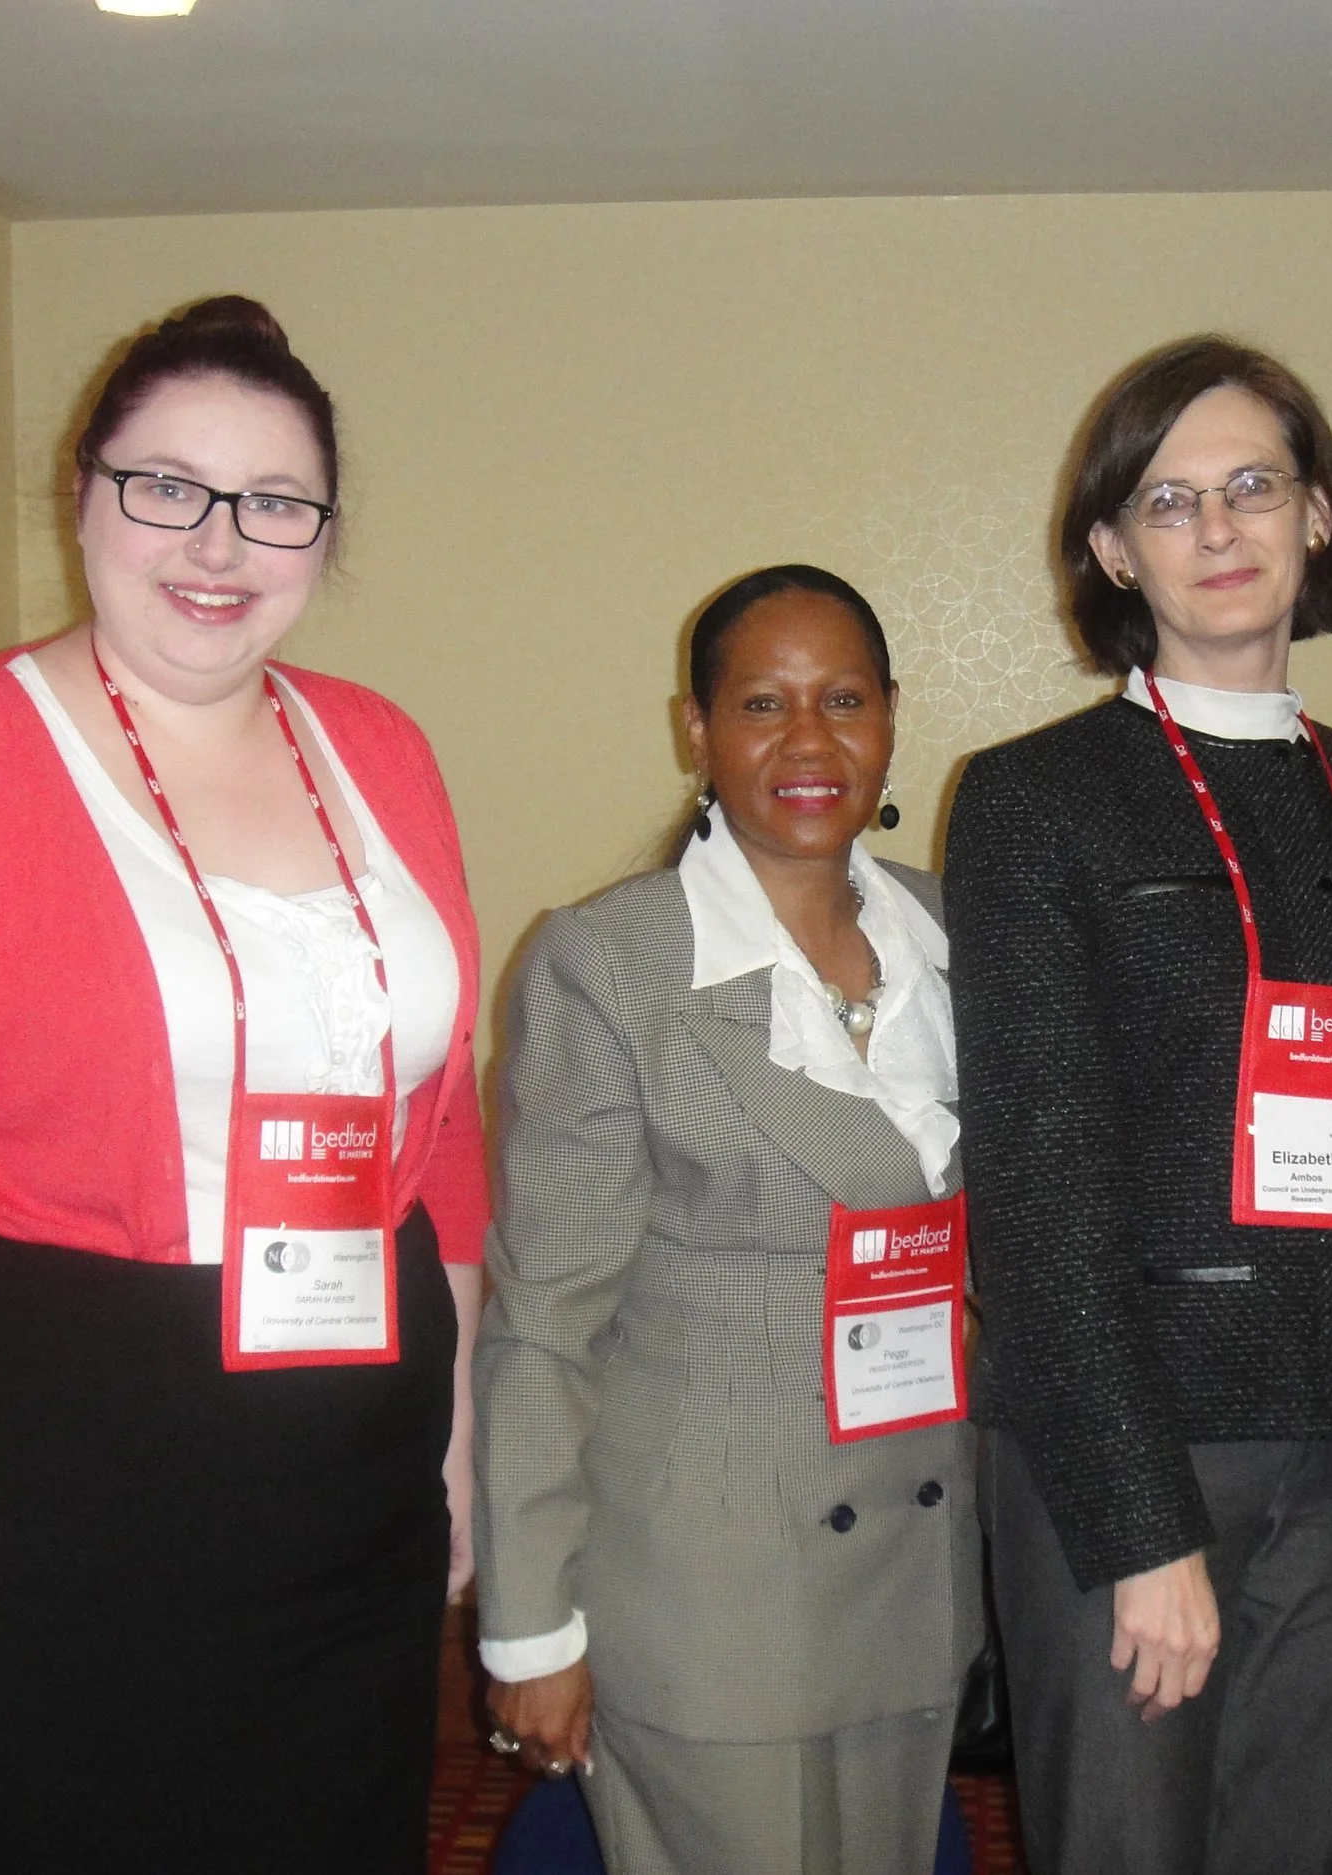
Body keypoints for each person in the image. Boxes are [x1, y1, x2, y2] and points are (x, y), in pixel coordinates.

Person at [0, 296, 488, 1872]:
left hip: (347, 1494)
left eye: (275, 502)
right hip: (31, 1499)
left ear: (324, 535)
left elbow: (440, 1133)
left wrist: (454, 1448)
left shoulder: (382, 750)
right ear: (84, 491)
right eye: (166, 485)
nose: (218, 542)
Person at [943, 336, 1332, 1874]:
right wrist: (1137, 1525)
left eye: (1254, 484)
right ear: (1116, 549)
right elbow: (1040, 1187)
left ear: (1318, 513)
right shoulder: (1037, 794)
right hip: (1137, 1442)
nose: (1220, 528)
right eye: (1168, 500)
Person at [475, 565, 980, 1875]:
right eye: (762, 702)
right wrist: (532, 1624)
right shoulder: (609, 963)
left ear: (890, 720)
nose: (809, 741)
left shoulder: (954, 933)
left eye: (844, 700)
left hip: (911, 1562)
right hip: (707, 1594)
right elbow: (545, 1319)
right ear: (695, 731)